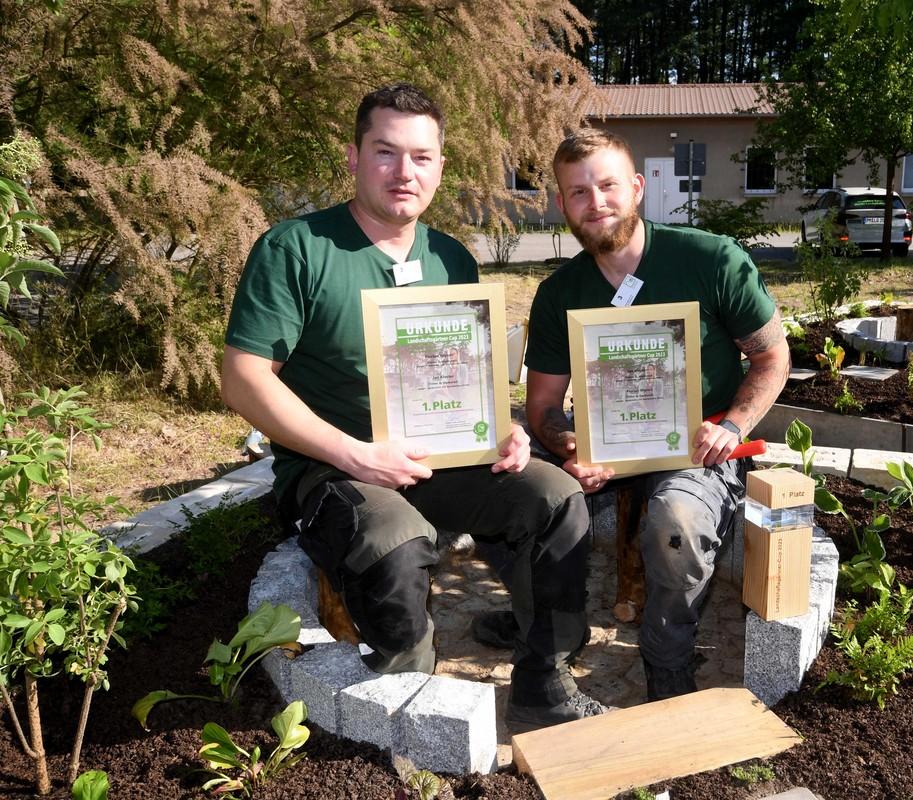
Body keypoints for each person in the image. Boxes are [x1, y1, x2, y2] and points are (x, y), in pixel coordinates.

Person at [221, 83, 605, 733]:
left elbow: (464, 376)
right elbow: (242, 378)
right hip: (334, 469)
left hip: (445, 458)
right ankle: (410, 706)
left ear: (441, 167)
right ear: (352, 156)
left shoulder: (448, 257)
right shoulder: (296, 249)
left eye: (422, 157)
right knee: (397, 541)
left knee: (556, 497)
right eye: (386, 152)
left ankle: (545, 677)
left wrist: (504, 428)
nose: (405, 172)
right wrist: (354, 453)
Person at [523, 128, 790, 701]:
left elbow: (772, 356)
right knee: (522, 493)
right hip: (603, 441)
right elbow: (543, 406)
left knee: (676, 521)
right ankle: (543, 631)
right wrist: (569, 444)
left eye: (608, 185)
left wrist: (733, 427)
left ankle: (666, 660)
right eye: (577, 192)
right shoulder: (558, 293)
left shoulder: (710, 258)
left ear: (638, 188)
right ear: (561, 204)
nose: (595, 203)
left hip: (697, 444)